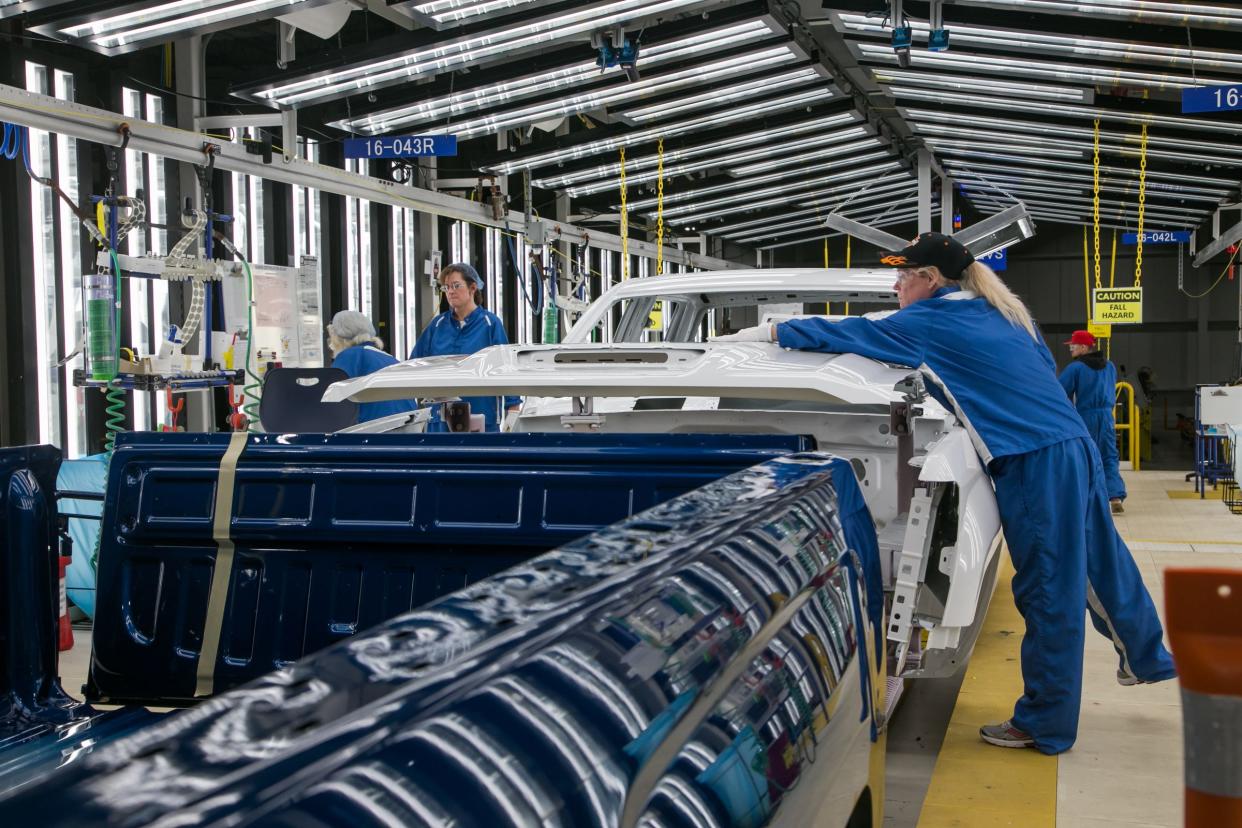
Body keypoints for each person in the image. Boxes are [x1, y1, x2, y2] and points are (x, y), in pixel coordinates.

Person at [714, 232, 1175, 755]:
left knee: (1049, 589)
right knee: (1100, 561)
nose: (895, 285)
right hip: (1070, 446)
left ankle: (1046, 722)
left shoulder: (929, 321)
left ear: (930, 280)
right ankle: (1146, 656)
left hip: (1031, 461)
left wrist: (769, 331)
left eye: (903, 276)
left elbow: (852, 332)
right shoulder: (1001, 313)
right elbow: (1038, 376)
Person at [410, 262, 520, 431]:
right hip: (439, 418)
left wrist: (513, 409)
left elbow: (506, 366)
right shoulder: (437, 325)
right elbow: (414, 363)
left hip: (480, 415)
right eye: (446, 287)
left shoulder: (490, 324)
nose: (451, 291)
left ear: (472, 288)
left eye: (456, 285)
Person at [1060, 331, 1126, 513]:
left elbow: (1060, 392)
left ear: (1083, 347)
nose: (1071, 348)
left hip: (1085, 417)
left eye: (1073, 345)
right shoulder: (1110, 366)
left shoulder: (1076, 368)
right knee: (1109, 456)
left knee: (1083, 456)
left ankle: (1084, 498)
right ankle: (1114, 497)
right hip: (1106, 417)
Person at [327, 310, 417, 423]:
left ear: (338, 337)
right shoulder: (390, 358)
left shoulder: (350, 356)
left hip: (375, 431)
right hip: (408, 428)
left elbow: (330, 398)